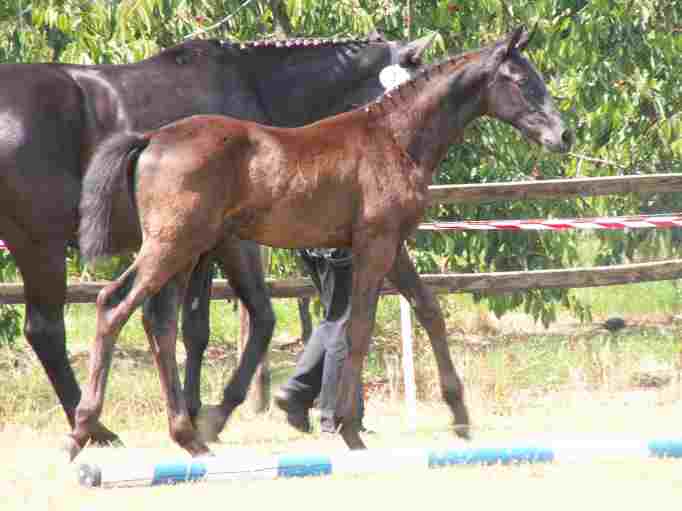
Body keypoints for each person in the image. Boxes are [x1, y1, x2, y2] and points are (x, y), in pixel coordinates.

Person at [274, 248, 369, 433]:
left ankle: (297, 392)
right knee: (344, 321)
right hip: (338, 247)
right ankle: (338, 417)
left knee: (334, 319)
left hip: (316, 248)